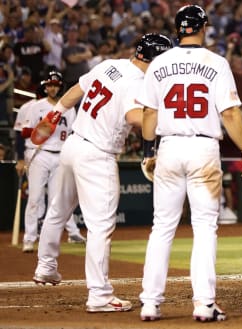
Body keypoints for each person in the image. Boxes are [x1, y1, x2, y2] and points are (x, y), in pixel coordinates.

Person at [32, 33, 172, 313]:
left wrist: (55, 113)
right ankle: (99, 295)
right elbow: (135, 117)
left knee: (58, 210)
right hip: (97, 155)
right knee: (100, 227)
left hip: (73, 145)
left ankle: (46, 267)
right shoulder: (138, 82)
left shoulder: (110, 64)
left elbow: (74, 91)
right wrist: (162, 117)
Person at [137, 5, 242, 323]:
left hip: (169, 146)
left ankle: (150, 302)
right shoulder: (215, 62)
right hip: (203, 147)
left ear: (178, 29)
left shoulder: (159, 62)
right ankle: (203, 304)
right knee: (204, 227)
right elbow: (230, 113)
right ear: (203, 26)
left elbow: (149, 114)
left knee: (161, 227)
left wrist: (149, 151)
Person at [13, 71, 86, 253]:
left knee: (56, 200)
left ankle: (49, 240)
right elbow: (24, 132)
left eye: (55, 85)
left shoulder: (68, 108)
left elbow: (73, 133)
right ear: (45, 87)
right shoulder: (37, 106)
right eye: (49, 85)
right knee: (35, 198)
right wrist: (41, 130)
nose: (52, 88)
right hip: (41, 154)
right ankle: (29, 238)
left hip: (60, 154)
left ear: (60, 87)